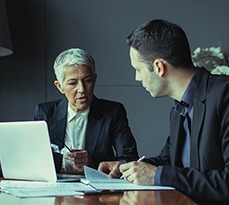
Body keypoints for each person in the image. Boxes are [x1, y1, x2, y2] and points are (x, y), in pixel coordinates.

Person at [98, 19, 229, 204]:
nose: (137, 77)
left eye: (138, 69)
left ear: (159, 67)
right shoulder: (178, 109)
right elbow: (169, 161)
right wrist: (128, 168)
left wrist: (158, 174)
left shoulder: (224, 96)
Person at [34, 48, 139, 174]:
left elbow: (129, 159)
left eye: (87, 81)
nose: (82, 89)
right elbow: (36, 158)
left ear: (94, 79)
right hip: (56, 185)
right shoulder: (45, 112)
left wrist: (91, 161)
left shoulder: (113, 112)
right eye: (73, 83)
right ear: (60, 86)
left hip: (98, 187)